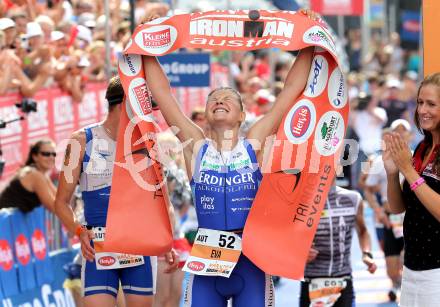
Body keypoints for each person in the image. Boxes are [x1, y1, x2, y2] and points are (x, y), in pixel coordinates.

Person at [141, 11, 317, 307]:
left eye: (227, 99)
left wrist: (309, 40)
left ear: (242, 116)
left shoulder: (255, 143)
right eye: (213, 100)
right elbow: (162, 94)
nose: (219, 101)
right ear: (207, 114)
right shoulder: (195, 146)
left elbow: (289, 92)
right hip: (206, 259)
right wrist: (147, 41)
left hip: (251, 259)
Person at [54, 75, 178, 307]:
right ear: (125, 105)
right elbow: (61, 201)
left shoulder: (149, 144)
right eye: (144, 109)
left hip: (138, 244)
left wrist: (167, 241)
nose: (148, 115)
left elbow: (163, 202)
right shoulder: (81, 141)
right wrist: (79, 230)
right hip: (98, 246)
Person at [384, 73, 440, 306]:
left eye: (431, 104)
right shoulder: (422, 146)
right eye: (419, 102)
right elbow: (398, 208)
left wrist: (408, 170)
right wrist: (392, 172)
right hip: (412, 269)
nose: (422, 110)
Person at [300, 182, 377, 307]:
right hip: (311, 280)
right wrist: (300, 252)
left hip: (343, 279)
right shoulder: (301, 201)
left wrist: (366, 254)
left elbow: (363, 231)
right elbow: (287, 239)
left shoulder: (353, 198)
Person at [364, 119, 412, 302]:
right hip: (388, 218)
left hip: (410, 217)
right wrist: (378, 211)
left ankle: (406, 291)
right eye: (396, 131)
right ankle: (395, 282)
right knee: (392, 268)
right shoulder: (378, 160)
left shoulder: (417, 158)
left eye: (404, 131)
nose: (400, 134)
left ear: (410, 135)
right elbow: (367, 189)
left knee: (408, 259)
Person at [0, 138, 57, 213]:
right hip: (4, 223)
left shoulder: (41, 174)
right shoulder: (34, 175)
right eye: (46, 154)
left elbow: (60, 199)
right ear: (35, 157)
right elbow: (55, 207)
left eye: (54, 154)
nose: (51, 157)